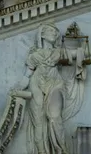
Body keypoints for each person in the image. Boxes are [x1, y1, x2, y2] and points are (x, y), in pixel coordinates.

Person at [10, 23, 86, 154]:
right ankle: (41, 151)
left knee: (55, 116)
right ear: (42, 35)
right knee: (38, 120)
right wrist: (18, 88)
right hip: (36, 83)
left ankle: (61, 149)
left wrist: (83, 43)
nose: (54, 33)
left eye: (56, 32)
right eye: (51, 31)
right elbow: (27, 75)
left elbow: (79, 53)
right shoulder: (35, 55)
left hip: (55, 83)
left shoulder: (58, 52)